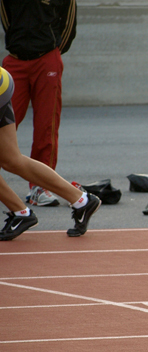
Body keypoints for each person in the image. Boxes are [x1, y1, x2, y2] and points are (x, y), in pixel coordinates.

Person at [0, 67, 100, 241]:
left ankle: (20, 212)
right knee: (11, 159)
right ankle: (81, 200)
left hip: (2, 85)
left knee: (11, 159)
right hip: (3, 82)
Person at [1, 0, 77, 207]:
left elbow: (69, 22)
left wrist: (51, 48)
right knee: (3, 127)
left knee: (46, 125)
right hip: (14, 61)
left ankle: (39, 188)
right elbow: (7, 19)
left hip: (47, 60)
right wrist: (20, 44)